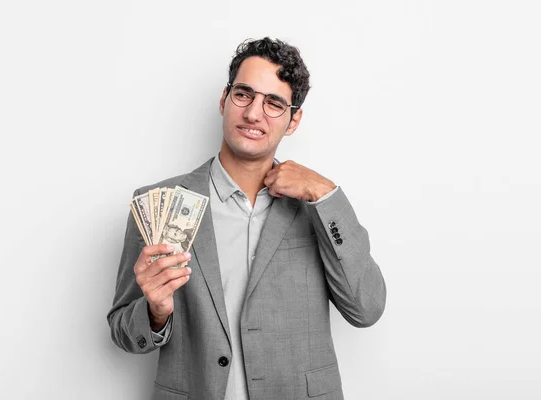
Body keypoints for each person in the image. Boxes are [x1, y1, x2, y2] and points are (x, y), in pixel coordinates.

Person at [108, 37, 386, 400]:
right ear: (224, 100)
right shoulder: (159, 203)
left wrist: (325, 193)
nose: (254, 113)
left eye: (273, 103)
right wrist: (155, 312)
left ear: (293, 120)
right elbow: (123, 332)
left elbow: (365, 308)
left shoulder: (317, 206)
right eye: (244, 95)